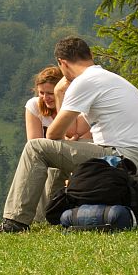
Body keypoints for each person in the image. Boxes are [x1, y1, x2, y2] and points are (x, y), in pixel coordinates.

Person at [0, 36, 138, 233]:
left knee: (36, 148)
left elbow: (55, 134)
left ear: (62, 63)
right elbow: (73, 131)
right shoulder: (107, 78)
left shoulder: (84, 82)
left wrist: (59, 93)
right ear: (89, 55)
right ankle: (48, 215)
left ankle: (14, 221)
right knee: (55, 152)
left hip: (127, 158)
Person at [24, 66, 91, 221]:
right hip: (48, 157)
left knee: (57, 168)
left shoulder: (77, 110)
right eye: (42, 93)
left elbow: (84, 141)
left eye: (50, 93)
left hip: (74, 157)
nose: (45, 98)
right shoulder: (34, 106)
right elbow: (34, 142)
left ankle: (47, 215)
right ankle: (43, 215)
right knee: (45, 166)